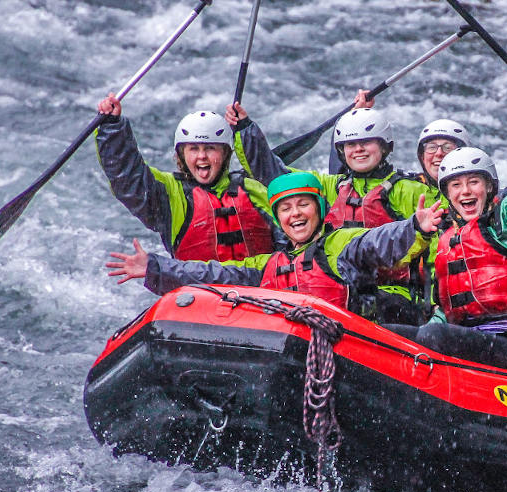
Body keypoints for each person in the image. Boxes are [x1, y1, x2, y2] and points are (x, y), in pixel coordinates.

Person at [105, 171, 442, 321]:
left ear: (320, 211)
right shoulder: (267, 264)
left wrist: (416, 227)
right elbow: (215, 273)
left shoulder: (339, 243)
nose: (295, 213)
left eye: (303, 205)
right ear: (278, 218)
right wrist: (154, 267)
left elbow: (376, 242)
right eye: (285, 208)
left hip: (350, 345)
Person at [226, 93, 443, 325]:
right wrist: (245, 129)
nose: (358, 149)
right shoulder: (333, 187)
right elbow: (274, 175)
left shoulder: (409, 190)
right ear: (341, 151)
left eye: (366, 142)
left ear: (384, 146)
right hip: (338, 285)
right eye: (351, 144)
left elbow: (436, 254)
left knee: (366, 302)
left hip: (395, 293)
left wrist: (433, 306)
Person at [387, 86, 507, 374]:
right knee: (391, 335)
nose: (465, 191)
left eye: (474, 183)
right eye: (456, 185)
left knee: (432, 339)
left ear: (489, 187)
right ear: (448, 194)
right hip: (468, 340)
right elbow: (445, 312)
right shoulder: (447, 238)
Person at [95, 94, 281, 262]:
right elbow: (128, 177)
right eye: (193, 149)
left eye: (210, 148)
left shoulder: (252, 188)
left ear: (225, 154)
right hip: (201, 294)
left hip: (262, 288)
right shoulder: (169, 195)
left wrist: (246, 131)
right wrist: (113, 128)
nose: (201, 156)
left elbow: (290, 193)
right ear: (181, 155)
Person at [415, 119, 472, 187]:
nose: (439, 153)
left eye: (448, 148)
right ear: (422, 157)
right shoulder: (404, 189)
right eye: (432, 147)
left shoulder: (478, 192)